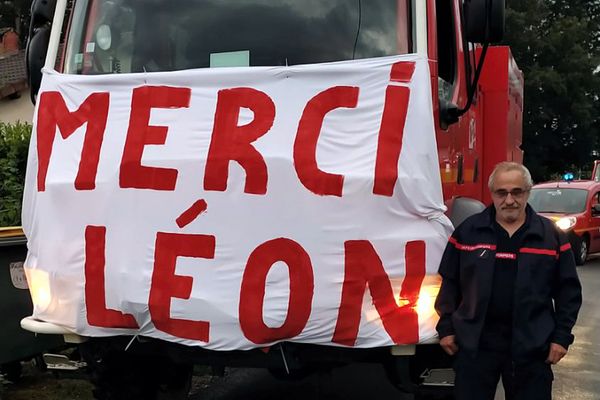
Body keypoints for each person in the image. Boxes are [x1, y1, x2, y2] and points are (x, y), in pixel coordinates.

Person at [435, 161, 582, 400]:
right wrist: (446, 328)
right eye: (501, 193)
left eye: (517, 192)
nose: (509, 200)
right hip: (477, 345)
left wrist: (561, 337)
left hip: (532, 346)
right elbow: (450, 284)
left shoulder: (551, 237)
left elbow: (568, 292)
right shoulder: (468, 232)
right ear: (492, 193)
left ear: (528, 192)